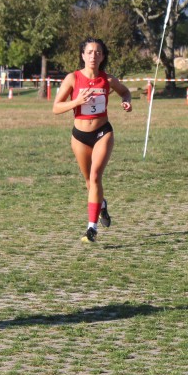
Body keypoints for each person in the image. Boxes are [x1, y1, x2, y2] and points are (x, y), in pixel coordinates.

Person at [53, 38, 132, 243]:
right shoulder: (72, 78)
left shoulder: (108, 79)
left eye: (98, 52)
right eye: (89, 52)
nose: (93, 56)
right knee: (89, 182)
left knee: (96, 176)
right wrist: (77, 101)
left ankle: (91, 228)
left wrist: (126, 101)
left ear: (103, 56)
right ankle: (101, 205)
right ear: (82, 55)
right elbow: (56, 107)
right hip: (80, 136)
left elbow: (125, 91)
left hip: (102, 133)